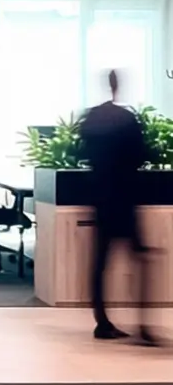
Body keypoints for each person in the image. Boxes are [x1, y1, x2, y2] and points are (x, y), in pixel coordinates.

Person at [80, 69, 158, 344]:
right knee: (141, 259)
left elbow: (82, 152)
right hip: (124, 196)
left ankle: (102, 321)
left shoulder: (92, 118)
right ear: (118, 84)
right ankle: (144, 327)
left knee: (100, 263)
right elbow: (142, 153)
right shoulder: (126, 119)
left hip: (100, 197)